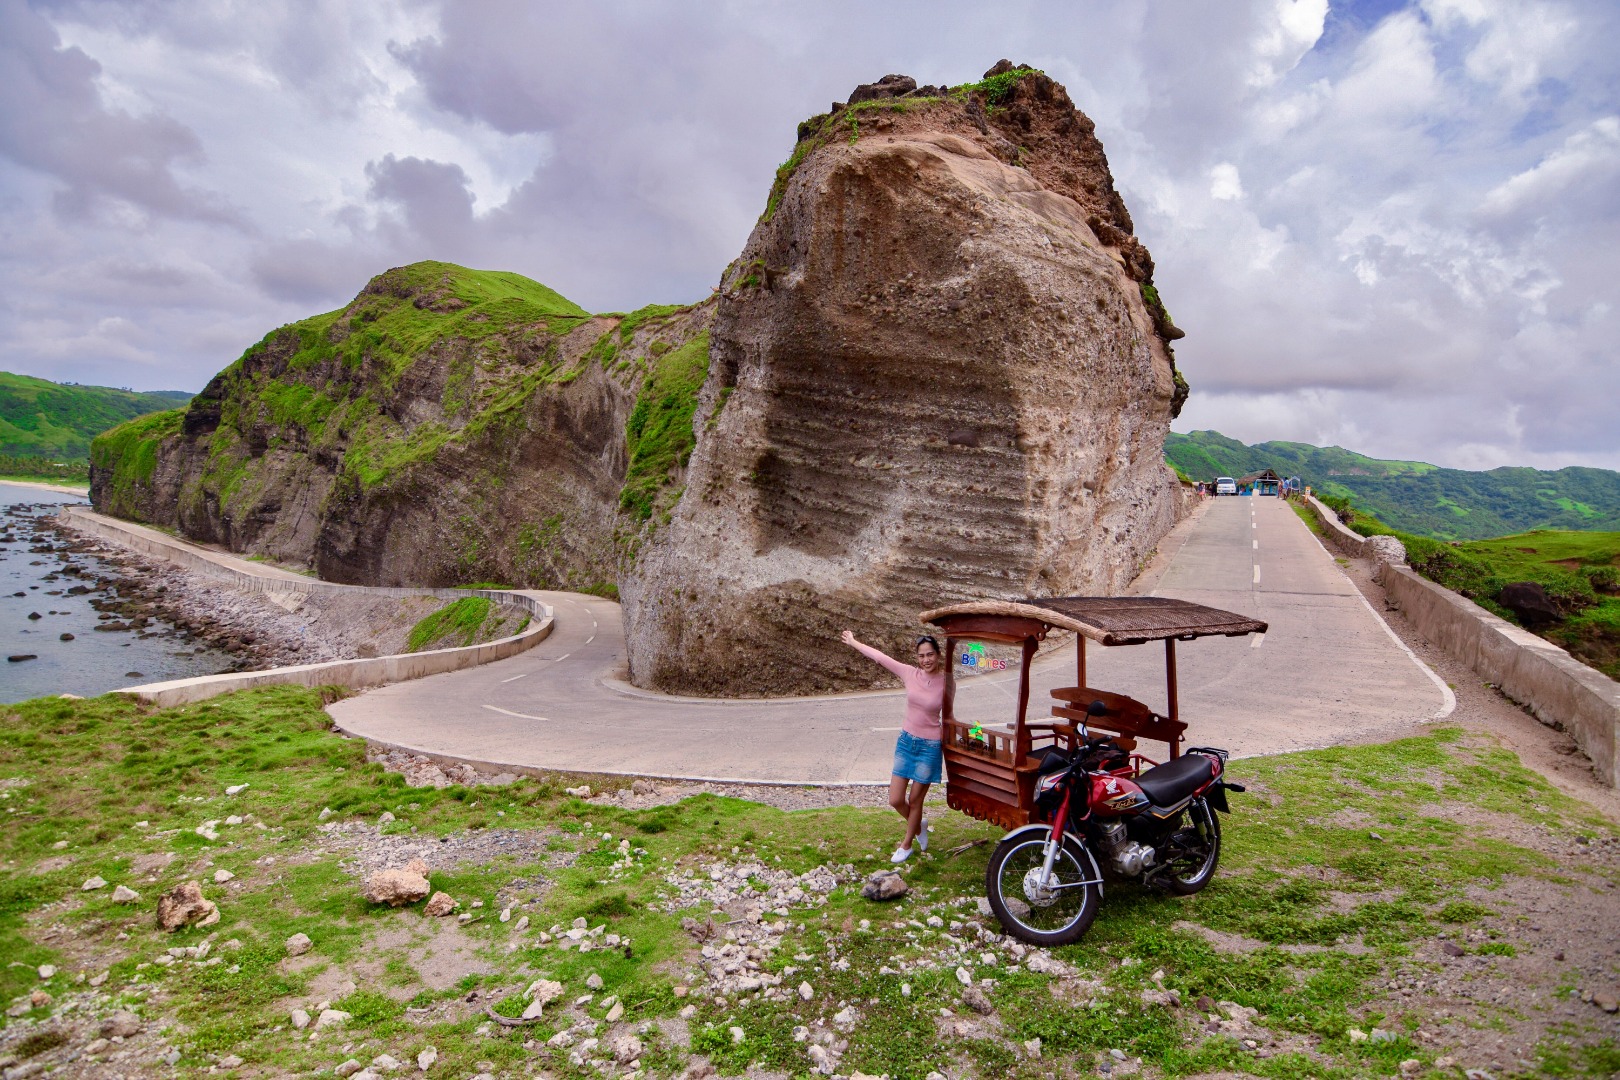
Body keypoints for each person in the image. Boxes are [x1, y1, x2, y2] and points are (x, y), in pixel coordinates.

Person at [841, 629, 952, 863]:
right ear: (917, 658)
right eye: (921, 656)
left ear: (938, 655)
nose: (926, 660)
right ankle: (919, 825)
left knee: (915, 801)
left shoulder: (947, 682)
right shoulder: (909, 673)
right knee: (895, 799)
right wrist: (853, 642)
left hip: (930, 746)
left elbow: (950, 717)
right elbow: (880, 657)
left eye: (930, 654)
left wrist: (973, 733)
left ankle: (907, 844)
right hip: (906, 742)